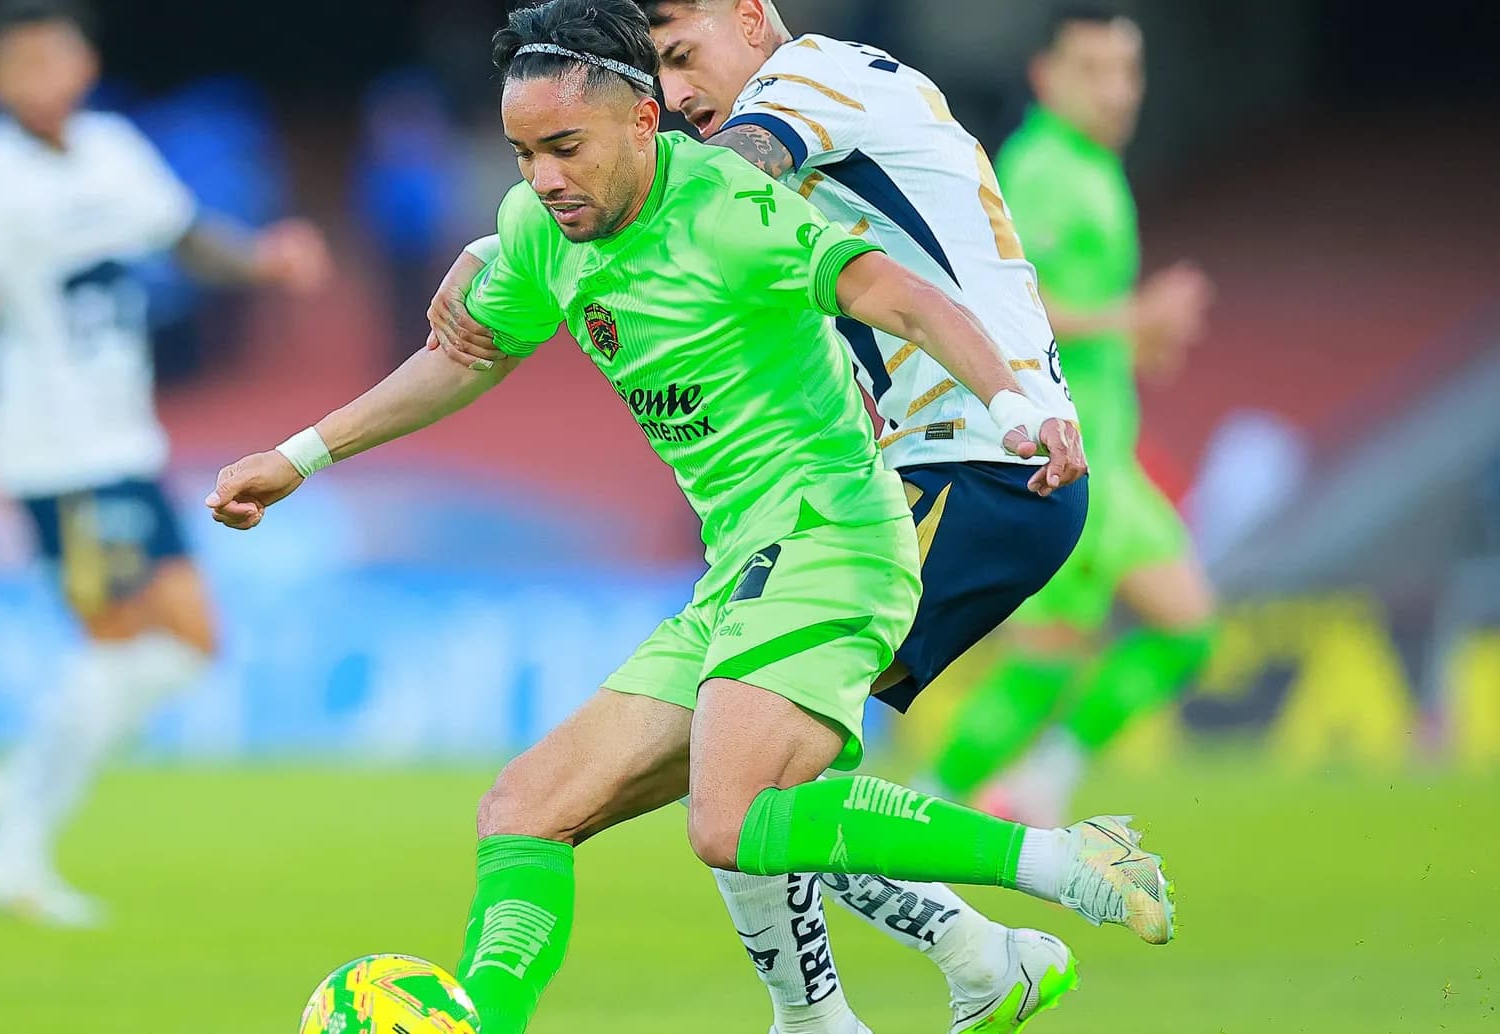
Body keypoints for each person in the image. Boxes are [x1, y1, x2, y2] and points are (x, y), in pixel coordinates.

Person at [208, 3, 1167, 1032]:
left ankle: (1057, 864)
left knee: (745, 800)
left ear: (645, 115)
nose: (540, 177)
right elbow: (461, 356)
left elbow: (884, 285)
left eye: (564, 146)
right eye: (522, 154)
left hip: (860, 517)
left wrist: (1014, 400)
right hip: (747, 559)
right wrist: (303, 454)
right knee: (529, 809)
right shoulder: (548, 225)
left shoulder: (752, 173)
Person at [423, 2, 1097, 1029]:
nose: (679, 98)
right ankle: (961, 961)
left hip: (970, 465)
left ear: (751, 17)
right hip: (941, 464)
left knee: (751, 774)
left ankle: (949, 947)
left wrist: (520, 221)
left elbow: (703, 180)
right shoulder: (835, 93)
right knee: (748, 776)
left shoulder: (812, 80)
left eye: (684, 61)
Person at [0, 0, 327, 927]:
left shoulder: (110, 147)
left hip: (123, 444)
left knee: (187, 646)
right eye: (28, 60)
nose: (50, 73)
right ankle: (11, 851)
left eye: (61, 54)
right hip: (54, 454)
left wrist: (262, 261)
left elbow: (181, 236)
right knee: (129, 646)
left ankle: (23, 785)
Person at [927, 7, 1219, 832]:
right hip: (1067, 454)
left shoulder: (1091, 167)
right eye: (1093, 70)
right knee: (1044, 667)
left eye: (1127, 70)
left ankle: (1036, 785)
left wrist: (1137, 334)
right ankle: (924, 815)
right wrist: (1137, 316)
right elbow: (1014, 305)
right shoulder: (1045, 168)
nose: (1116, 91)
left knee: (1187, 629)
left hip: (1112, 457)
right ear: (1045, 78)